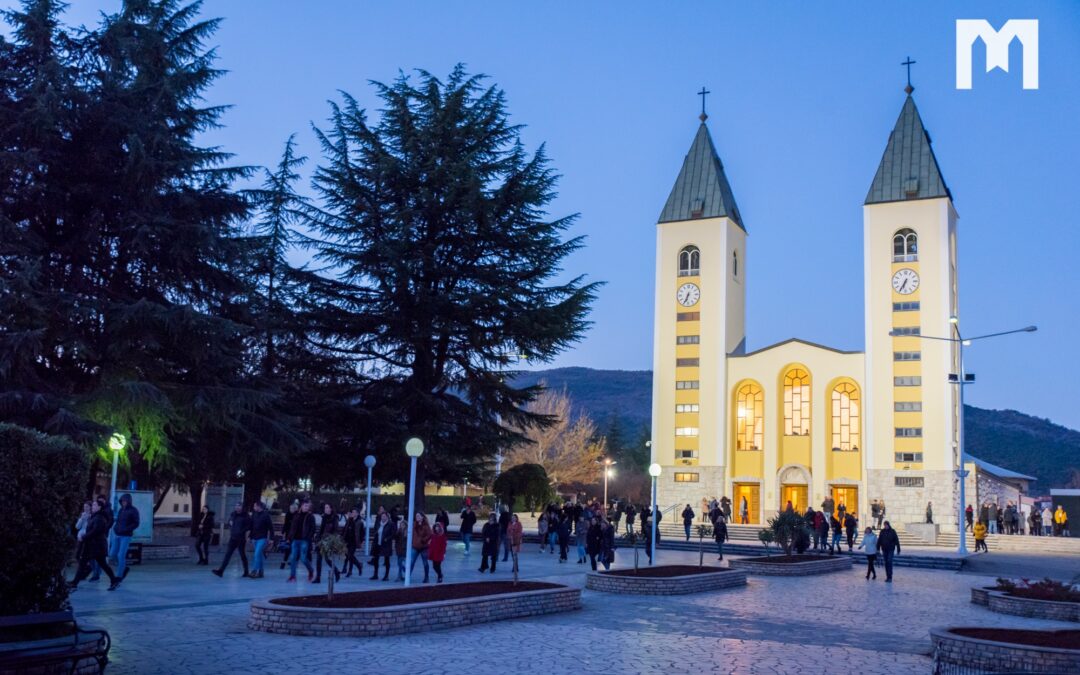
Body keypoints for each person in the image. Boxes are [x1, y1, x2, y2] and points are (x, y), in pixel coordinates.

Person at [69, 498, 122, 591]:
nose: (92, 507)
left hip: (97, 546)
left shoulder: (100, 518)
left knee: (102, 564)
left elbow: (95, 531)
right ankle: (74, 583)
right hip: (92, 545)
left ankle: (114, 580)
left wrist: (84, 536)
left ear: (99, 507)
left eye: (94, 505)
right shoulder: (95, 516)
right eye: (92, 505)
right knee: (85, 563)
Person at [213, 502, 252, 578]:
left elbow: (249, 527)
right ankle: (221, 571)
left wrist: (244, 534)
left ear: (242, 507)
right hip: (233, 538)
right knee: (228, 554)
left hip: (241, 538)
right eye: (236, 506)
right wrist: (230, 524)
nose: (237, 507)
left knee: (242, 555)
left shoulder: (246, 516)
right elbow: (230, 522)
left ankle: (246, 571)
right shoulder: (233, 514)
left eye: (239, 506)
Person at [110, 493, 140, 581]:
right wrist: (115, 528)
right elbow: (118, 521)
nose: (123, 502)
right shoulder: (121, 510)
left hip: (126, 536)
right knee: (112, 554)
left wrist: (127, 529)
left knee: (121, 555)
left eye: (125, 501)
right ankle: (123, 567)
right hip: (117, 534)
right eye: (122, 501)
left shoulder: (134, 510)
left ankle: (119, 576)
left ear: (129, 501)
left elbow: (136, 523)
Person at [287, 500, 316, 582]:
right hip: (295, 540)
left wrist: (308, 538)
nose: (307, 507)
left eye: (308, 506)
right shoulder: (297, 515)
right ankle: (292, 576)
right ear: (302, 506)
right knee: (293, 558)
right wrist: (290, 537)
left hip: (304, 540)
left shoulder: (310, 516)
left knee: (303, 558)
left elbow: (312, 529)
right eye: (305, 506)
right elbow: (292, 526)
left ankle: (311, 570)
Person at [314, 503, 340, 584]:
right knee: (319, 559)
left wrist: (331, 540)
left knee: (327, 559)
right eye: (325, 507)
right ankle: (318, 577)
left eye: (328, 507)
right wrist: (318, 538)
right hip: (322, 540)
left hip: (329, 541)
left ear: (331, 508)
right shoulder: (324, 517)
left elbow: (335, 530)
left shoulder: (335, 518)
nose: (326, 509)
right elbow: (321, 529)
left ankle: (336, 571)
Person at [249, 500, 273, 579]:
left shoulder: (266, 515)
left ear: (259, 506)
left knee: (256, 554)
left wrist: (271, 539)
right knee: (259, 555)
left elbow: (271, 527)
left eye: (255, 506)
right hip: (254, 538)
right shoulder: (254, 514)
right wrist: (250, 536)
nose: (254, 507)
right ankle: (261, 571)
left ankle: (254, 570)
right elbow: (251, 526)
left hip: (262, 538)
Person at [408, 512, 433, 583]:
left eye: (418, 516)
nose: (417, 517)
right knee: (411, 561)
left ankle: (426, 577)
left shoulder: (426, 525)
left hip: (424, 547)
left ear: (422, 517)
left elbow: (430, 534)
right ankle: (407, 575)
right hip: (415, 546)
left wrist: (423, 540)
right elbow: (410, 532)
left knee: (425, 563)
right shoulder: (414, 524)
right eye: (416, 516)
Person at [370, 512, 394, 581]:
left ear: (387, 517)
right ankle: (375, 574)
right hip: (377, 544)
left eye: (384, 516)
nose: (383, 518)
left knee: (386, 560)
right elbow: (376, 531)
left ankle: (386, 576)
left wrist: (387, 539)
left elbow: (393, 534)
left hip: (386, 544)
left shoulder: (390, 524)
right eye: (382, 516)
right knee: (376, 559)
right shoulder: (379, 523)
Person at [342, 507, 365, 578]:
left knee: (350, 555)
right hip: (347, 541)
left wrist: (360, 541)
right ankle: (358, 565)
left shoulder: (360, 522)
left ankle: (351, 570)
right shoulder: (349, 520)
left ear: (357, 513)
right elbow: (345, 529)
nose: (353, 513)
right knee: (348, 556)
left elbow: (362, 533)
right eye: (352, 512)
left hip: (354, 541)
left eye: (354, 512)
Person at [507, 513, 523, 578]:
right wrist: (509, 536)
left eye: (514, 517)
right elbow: (507, 531)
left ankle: (515, 567)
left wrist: (515, 535)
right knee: (512, 554)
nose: (513, 518)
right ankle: (515, 566)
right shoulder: (509, 523)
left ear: (516, 518)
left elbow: (520, 532)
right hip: (511, 540)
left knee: (515, 554)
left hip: (516, 540)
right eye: (512, 517)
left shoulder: (519, 524)